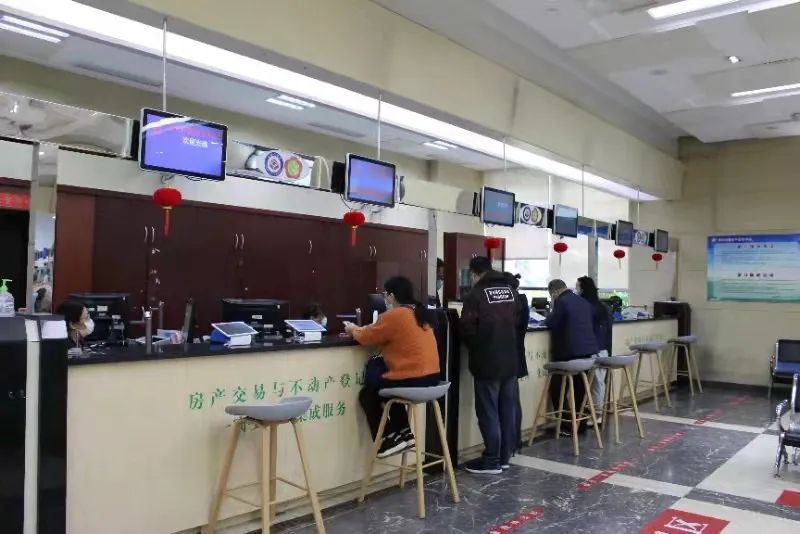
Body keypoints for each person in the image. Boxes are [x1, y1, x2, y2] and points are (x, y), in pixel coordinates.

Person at [344, 276, 440, 458]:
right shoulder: (419, 312)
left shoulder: (395, 315)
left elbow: (367, 337)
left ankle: (388, 441)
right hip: (432, 378)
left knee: (368, 394)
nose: (385, 299)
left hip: (414, 379)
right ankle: (405, 434)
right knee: (390, 389)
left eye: (385, 295)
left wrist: (352, 330)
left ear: (392, 296)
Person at [460, 257, 520, 474]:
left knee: (489, 412)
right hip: (510, 360)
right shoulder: (511, 291)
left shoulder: (475, 295)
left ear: (474, 274)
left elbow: (466, 328)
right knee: (507, 411)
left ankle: (491, 461)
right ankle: (504, 458)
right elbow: (518, 321)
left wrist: (476, 347)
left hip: (487, 361)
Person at [544, 279, 599, 435]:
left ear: (554, 292)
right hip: (587, 354)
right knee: (580, 389)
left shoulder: (561, 302)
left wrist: (550, 312)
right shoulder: (584, 302)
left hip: (569, 354)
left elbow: (551, 323)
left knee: (557, 388)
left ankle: (565, 425)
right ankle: (580, 425)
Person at [576, 276, 614, 426]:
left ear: (583, 289)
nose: (576, 290)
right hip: (602, 348)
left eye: (578, 287)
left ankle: (597, 414)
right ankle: (597, 413)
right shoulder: (601, 306)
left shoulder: (585, 307)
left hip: (593, 349)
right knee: (598, 383)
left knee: (596, 384)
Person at [506, 272, 530, 451]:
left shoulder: (509, 303)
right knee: (514, 400)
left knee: (509, 402)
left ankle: (510, 443)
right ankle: (515, 441)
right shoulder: (522, 300)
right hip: (517, 356)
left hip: (505, 357)